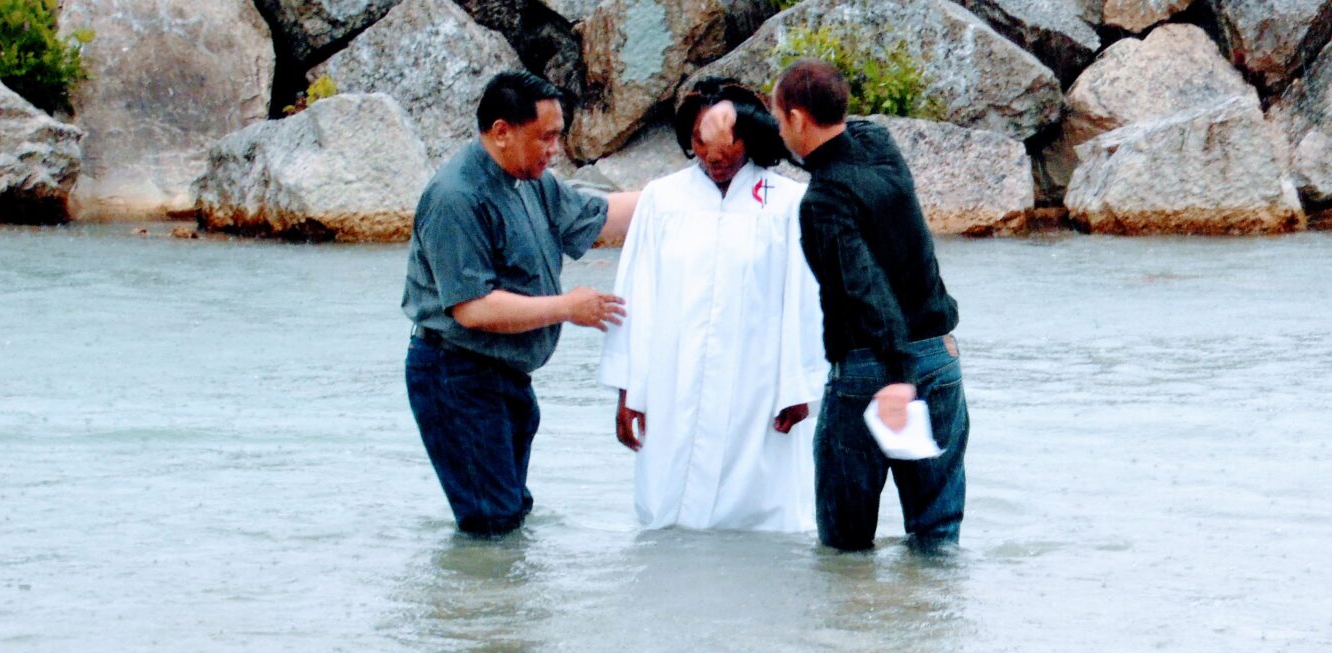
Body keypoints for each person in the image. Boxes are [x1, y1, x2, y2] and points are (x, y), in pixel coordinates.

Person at [402, 71, 639, 536]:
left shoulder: (532, 179)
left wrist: (682, 195)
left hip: (505, 376)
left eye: (559, 136)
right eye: (545, 137)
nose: (555, 149)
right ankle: (478, 606)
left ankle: (505, 608)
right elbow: (473, 308)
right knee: (492, 522)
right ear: (502, 132)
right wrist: (567, 307)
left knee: (509, 514)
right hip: (455, 375)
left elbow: (599, 217)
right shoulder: (457, 197)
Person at [598, 80, 826, 533]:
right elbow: (635, 295)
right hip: (673, 382)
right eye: (700, 143)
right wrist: (629, 390)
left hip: (758, 384)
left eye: (727, 142)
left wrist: (799, 385)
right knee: (670, 516)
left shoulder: (786, 203)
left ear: (753, 136)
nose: (714, 156)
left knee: (763, 518)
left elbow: (806, 299)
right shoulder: (663, 201)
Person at [769, 59, 970, 552]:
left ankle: (851, 631)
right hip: (941, 360)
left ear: (796, 119)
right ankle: (935, 625)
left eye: (778, 120)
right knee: (938, 536)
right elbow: (840, 134)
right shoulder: (880, 145)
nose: (777, 129)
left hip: (872, 370)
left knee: (844, 547)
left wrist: (898, 377)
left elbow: (866, 290)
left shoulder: (823, 202)